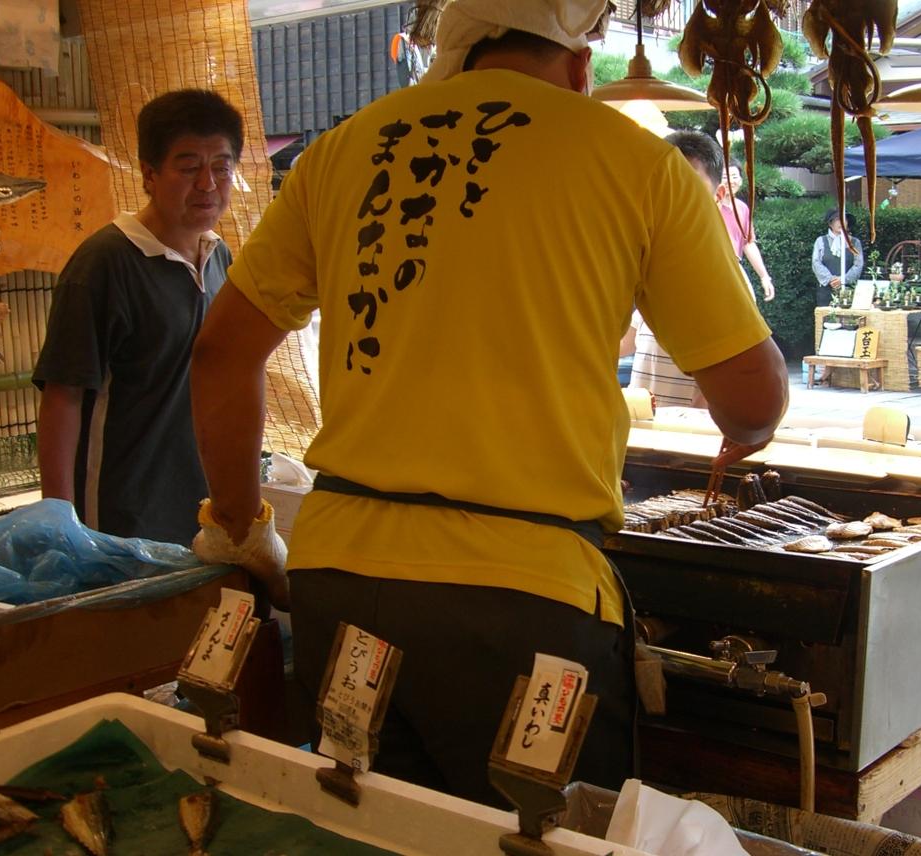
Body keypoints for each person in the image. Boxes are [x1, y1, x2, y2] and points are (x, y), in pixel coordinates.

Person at [188, 0, 788, 808]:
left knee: (376, 830)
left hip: (341, 582)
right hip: (525, 605)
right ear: (580, 65)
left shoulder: (341, 150)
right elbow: (752, 403)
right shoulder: (640, 164)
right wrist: (747, 424)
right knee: (540, 841)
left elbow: (221, 354)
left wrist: (241, 527)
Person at [33, 89, 241, 546]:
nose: (208, 184)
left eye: (221, 167)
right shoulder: (104, 264)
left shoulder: (219, 257)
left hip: (199, 505)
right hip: (118, 513)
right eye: (189, 167)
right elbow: (62, 397)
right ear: (149, 174)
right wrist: (58, 522)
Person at [626, 130, 726, 408]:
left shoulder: (720, 276)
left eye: (687, 188)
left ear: (718, 195)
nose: (671, 200)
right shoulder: (648, 263)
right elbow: (626, 342)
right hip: (641, 425)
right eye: (661, 186)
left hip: (680, 431)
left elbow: (720, 385)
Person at [716, 163, 776, 301]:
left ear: (741, 181)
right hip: (709, 266)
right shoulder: (707, 204)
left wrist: (764, 277)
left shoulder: (742, 208)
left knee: (748, 304)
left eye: (734, 176)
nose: (730, 181)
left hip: (733, 265)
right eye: (725, 177)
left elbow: (748, 244)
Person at [811, 208, 863, 307]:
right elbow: (816, 263)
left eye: (844, 219)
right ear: (830, 224)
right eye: (838, 219)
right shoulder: (820, 241)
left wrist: (843, 279)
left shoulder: (855, 242)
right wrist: (831, 279)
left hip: (848, 291)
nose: (842, 222)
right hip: (826, 291)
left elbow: (858, 265)